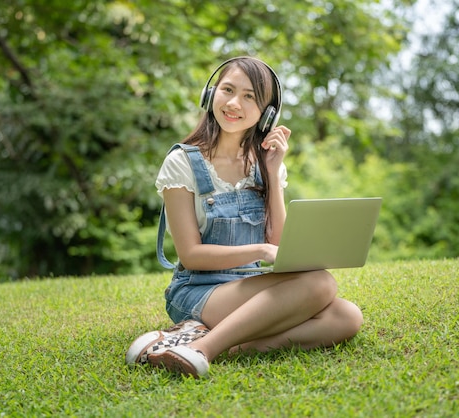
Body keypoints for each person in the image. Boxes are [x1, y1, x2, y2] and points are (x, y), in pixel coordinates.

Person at [125, 56, 363, 378]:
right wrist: (260, 251)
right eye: (227, 90)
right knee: (321, 283)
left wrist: (273, 170)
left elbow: (280, 243)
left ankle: (207, 343)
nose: (234, 103)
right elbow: (191, 255)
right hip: (199, 289)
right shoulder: (182, 162)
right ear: (211, 96)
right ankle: (200, 351)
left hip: (250, 286)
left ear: (266, 115)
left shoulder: (265, 163)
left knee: (347, 317)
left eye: (249, 96)